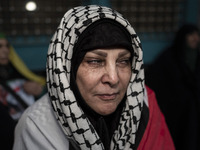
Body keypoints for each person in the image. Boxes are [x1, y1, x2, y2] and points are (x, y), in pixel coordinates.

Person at [13, 5, 175, 150]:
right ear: (66, 68)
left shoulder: (144, 104)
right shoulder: (38, 127)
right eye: (95, 61)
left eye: (123, 61)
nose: (113, 78)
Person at [145, 24, 200, 150]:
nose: (195, 38)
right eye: (191, 35)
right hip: (174, 110)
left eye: (197, 35)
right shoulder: (170, 57)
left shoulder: (197, 58)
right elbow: (156, 81)